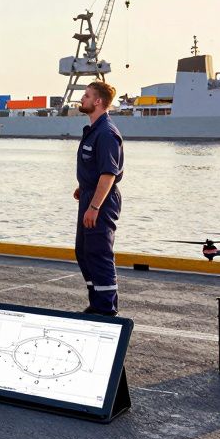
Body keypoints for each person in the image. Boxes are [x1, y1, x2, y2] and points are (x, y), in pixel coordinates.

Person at [73, 80, 125, 315]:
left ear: (98, 101)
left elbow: (108, 174)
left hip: (101, 202)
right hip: (89, 195)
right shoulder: (94, 130)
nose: (82, 99)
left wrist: (94, 206)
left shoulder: (106, 133)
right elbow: (95, 169)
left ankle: (107, 308)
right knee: (83, 251)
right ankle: (96, 301)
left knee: (99, 252)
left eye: (86, 95)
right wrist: (82, 187)